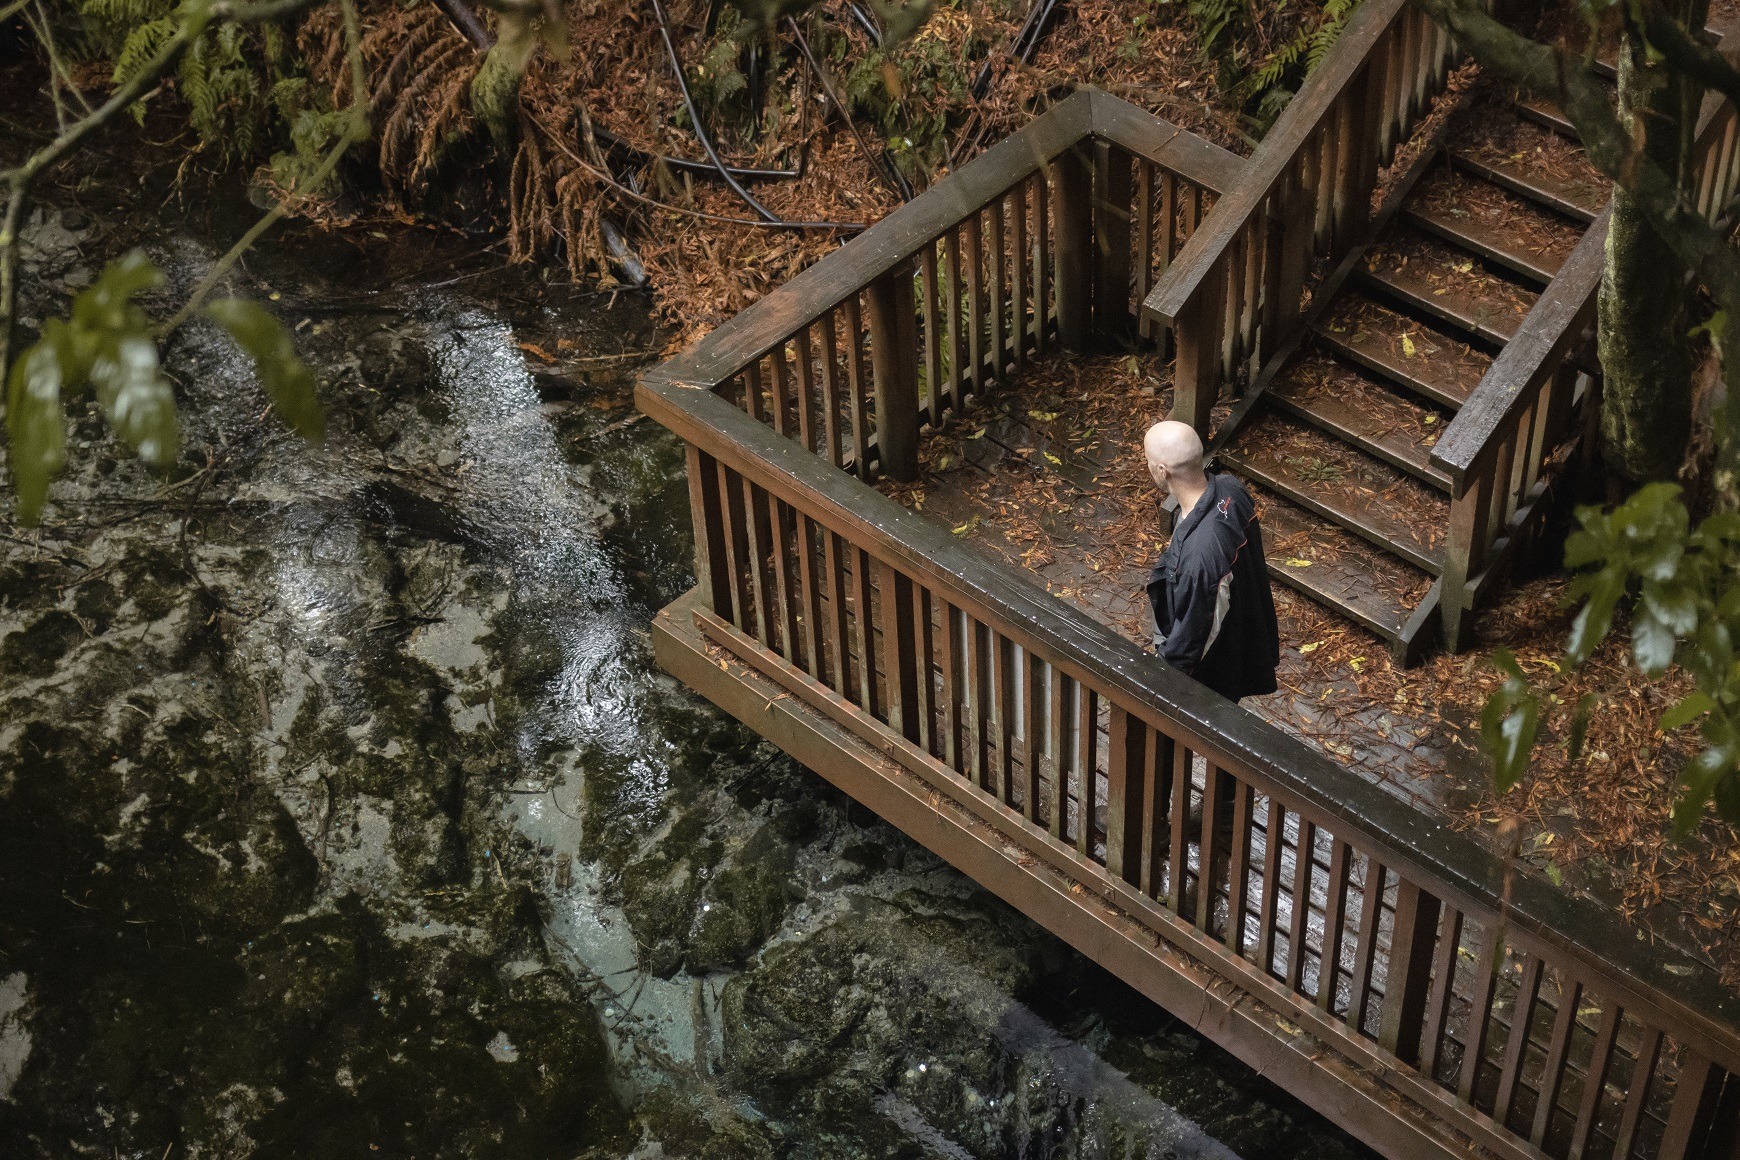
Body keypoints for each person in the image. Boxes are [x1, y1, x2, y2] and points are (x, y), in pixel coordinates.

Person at [1143, 420, 1279, 703]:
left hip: (1215, 672)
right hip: (1245, 629)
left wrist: (1164, 683)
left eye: (1147, 459)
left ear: (1162, 470)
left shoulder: (1200, 558)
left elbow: (1195, 636)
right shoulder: (1231, 489)